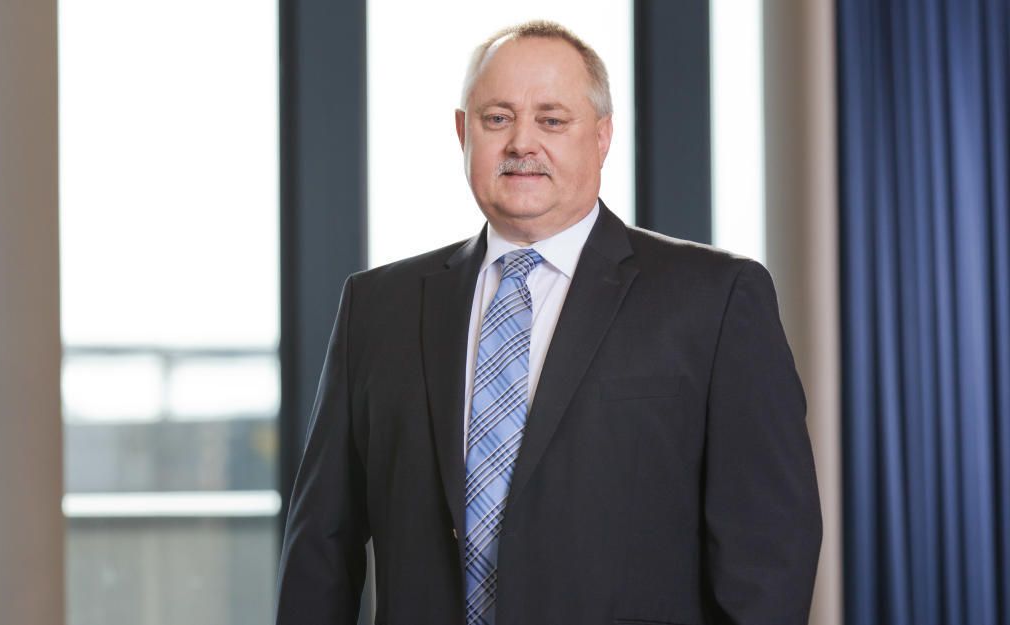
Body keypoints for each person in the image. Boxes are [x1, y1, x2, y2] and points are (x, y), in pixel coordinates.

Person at [275, 20, 821, 625]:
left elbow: (770, 547)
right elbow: (321, 548)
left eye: (552, 120)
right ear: (462, 131)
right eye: (497, 118)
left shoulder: (715, 298)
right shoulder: (378, 307)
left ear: (603, 135)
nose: (522, 143)